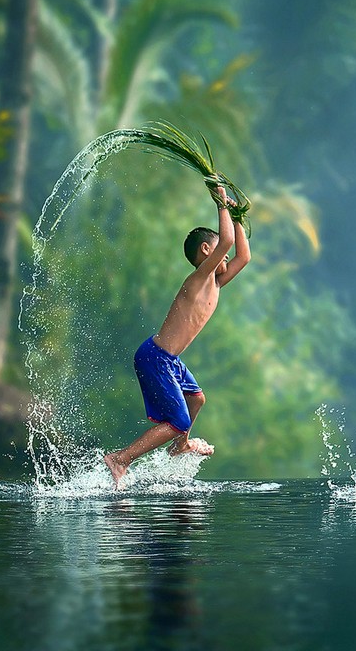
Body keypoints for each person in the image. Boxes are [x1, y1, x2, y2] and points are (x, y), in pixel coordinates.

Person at [104, 186, 251, 488]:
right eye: (219, 251)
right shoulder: (198, 280)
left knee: (196, 399)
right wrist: (222, 203)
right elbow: (227, 243)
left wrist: (237, 216)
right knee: (178, 421)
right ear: (207, 251)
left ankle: (180, 446)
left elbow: (243, 256)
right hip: (156, 357)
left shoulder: (217, 284)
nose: (227, 258)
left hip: (170, 360)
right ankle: (121, 458)